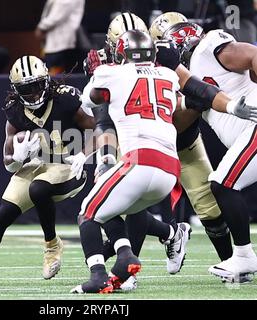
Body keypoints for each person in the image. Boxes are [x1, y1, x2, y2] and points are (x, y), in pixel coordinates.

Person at [81, 11, 257, 290]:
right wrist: (103, 157)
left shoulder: (171, 62)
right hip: (140, 142)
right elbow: (101, 117)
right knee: (130, 199)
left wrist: (200, 103)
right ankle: (142, 258)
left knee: (212, 203)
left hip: (178, 142)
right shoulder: (110, 67)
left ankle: (235, 262)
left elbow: (185, 105)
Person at [0, 55, 96, 285]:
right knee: (2, 215)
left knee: (39, 189)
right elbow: (8, 162)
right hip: (37, 165)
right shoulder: (15, 110)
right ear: (15, 90)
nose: (32, 94)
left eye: (35, 86)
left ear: (45, 82)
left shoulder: (66, 99)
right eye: (26, 89)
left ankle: (52, 246)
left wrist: (84, 154)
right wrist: (18, 158)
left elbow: (98, 129)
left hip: (69, 165)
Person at [71, 30, 192, 294]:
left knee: (87, 212)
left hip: (139, 160)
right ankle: (126, 256)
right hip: (170, 170)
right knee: (115, 208)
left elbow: (89, 102)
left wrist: (96, 74)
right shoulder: (169, 76)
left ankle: (98, 275)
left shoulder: (111, 73)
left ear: (121, 53)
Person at [150, 12, 257, 283]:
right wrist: (193, 101)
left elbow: (252, 54)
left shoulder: (209, 46)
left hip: (253, 126)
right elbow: (180, 123)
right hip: (246, 134)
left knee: (222, 185)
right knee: (221, 185)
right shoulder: (180, 77)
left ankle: (244, 257)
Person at [35, 0, 85, 75]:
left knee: (56, 79)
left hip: (60, 45)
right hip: (56, 43)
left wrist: (41, 27)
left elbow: (57, 15)